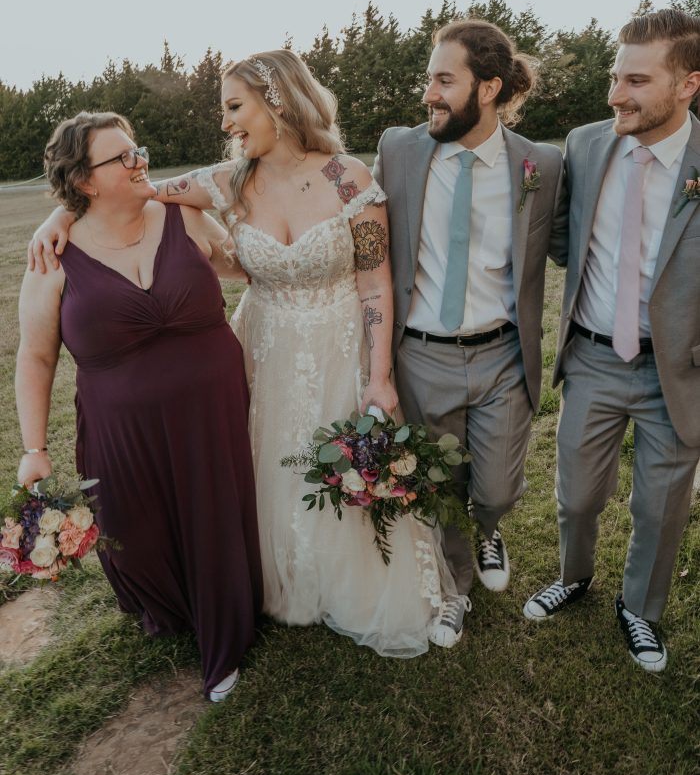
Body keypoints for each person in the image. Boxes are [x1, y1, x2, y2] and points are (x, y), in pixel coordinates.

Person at [29, 52, 454, 657]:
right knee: (265, 466)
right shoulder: (229, 181)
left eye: (234, 106)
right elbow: (131, 191)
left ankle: (350, 584)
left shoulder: (349, 179)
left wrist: (380, 377)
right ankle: (276, 584)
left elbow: (375, 283)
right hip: (263, 345)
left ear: (277, 100)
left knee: (342, 454)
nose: (226, 123)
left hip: (338, 345)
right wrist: (59, 213)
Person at [17, 112, 262, 701]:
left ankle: (224, 636)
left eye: (139, 150)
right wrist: (33, 450)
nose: (140, 162)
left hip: (212, 410)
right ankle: (177, 601)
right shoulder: (54, 255)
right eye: (122, 157)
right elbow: (36, 357)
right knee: (137, 537)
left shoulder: (184, 214)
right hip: (118, 424)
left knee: (213, 516)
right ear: (84, 180)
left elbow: (248, 241)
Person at [373, 19, 567, 648]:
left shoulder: (542, 164)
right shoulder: (399, 150)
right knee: (438, 483)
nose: (428, 93)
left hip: (503, 354)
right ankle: (455, 586)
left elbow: (573, 244)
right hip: (421, 355)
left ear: (488, 88)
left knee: (497, 485)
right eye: (429, 78)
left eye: (443, 80)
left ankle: (491, 528)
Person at [523, 9, 700, 672]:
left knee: (659, 508)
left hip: (678, 369)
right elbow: (565, 235)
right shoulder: (586, 144)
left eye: (636, 80)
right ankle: (574, 574)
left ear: (688, 84)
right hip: (594, 355)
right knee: (576, 492)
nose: (615, 94)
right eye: (613, 76)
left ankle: (641, 611)